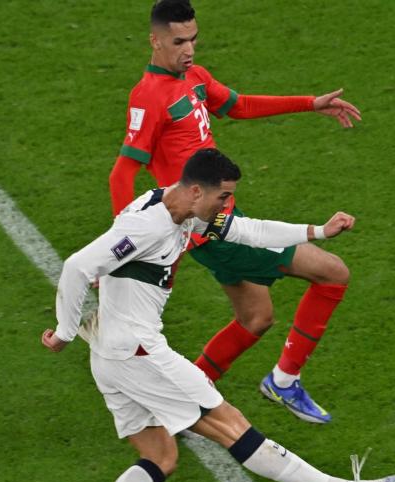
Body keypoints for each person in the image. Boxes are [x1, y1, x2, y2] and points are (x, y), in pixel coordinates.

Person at [44, 149, 395, 482]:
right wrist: (62, 332)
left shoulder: (180, 209)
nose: (226, 206)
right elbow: (79, 266)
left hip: (111, 358)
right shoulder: (150, 223)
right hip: (138, 353)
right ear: (197, 191)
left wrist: (318, 231)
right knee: (232, 426)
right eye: (223, 197)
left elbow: (247, 230)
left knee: (161, 456)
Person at [108, 0, 362, 424]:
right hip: (214, 230)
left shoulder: (195, 77)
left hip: (220, 223)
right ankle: (284, 380)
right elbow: (123, 173)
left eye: (193, 39)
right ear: (154, 40)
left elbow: (238, 105)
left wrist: (309, 103)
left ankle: (186, 401)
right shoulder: (148, 97)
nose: (188, 50)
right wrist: (123, 247)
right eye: (178, 42)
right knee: (333, 274)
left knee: (256, 317)